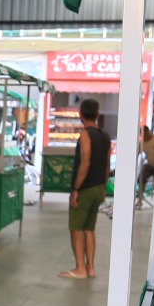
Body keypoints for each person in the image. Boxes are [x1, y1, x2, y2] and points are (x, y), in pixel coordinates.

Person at [62, 97, 109, 280]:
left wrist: (75, 188)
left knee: (76, 229)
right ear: (97, 114)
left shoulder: (85, 134)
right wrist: (103, 187)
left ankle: (80, 269)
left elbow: (85, 161)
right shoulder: (105, 136)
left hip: (85, 188)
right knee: (89, 229)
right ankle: (90, 268)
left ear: (80, 114)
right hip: (98, 187)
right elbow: (106, 166)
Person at [140, 125, 154, 194]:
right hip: (150, 164)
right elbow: (138, 152)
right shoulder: (142, 142)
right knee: (141, 178)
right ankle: (141, 195)